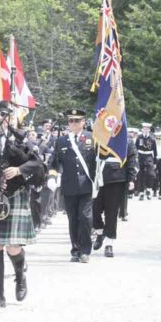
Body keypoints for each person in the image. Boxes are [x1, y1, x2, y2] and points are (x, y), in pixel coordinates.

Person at [0, 101, 44, 309]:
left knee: (13, 246)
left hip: (16, 194)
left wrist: (19, 171)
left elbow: (37, 163)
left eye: (2, 114)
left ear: (10, 116)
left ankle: (20, 277)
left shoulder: (21, 138)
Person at [48, 109, 96, 263]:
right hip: (69, 186)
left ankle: (85, 250)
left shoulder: (92, 137)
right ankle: (75, 249)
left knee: (85, 217)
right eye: (71, 121)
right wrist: (52, 176)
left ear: (83, 122)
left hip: (86, 185)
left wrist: (98, 181)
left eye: (77, 121)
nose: (73, 124)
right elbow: (54, 162)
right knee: (73, 219)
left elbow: (97, 161)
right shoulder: (62, 140)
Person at [92, 136, 137, 257]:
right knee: (94, 210)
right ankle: (100, 232)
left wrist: (131, 178)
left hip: (117, 178)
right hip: (97, 177)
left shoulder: (126, 139)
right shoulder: (98, 136)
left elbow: (131, 159)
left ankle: (109, 243)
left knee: (111, 213)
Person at [135, 123, 158, 201]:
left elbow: (155, 151)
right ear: (142, 129)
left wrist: (155, 162)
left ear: (149, 130)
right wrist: (135, 159)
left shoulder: (152, 139)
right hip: (140, 157)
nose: (145, 130)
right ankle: (141, 192)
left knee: (150, 174)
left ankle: (149, 189)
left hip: (149, 157)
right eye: (144, 128)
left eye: (147, 129)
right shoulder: (139, 138)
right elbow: (135, 149)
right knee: (140, 175)